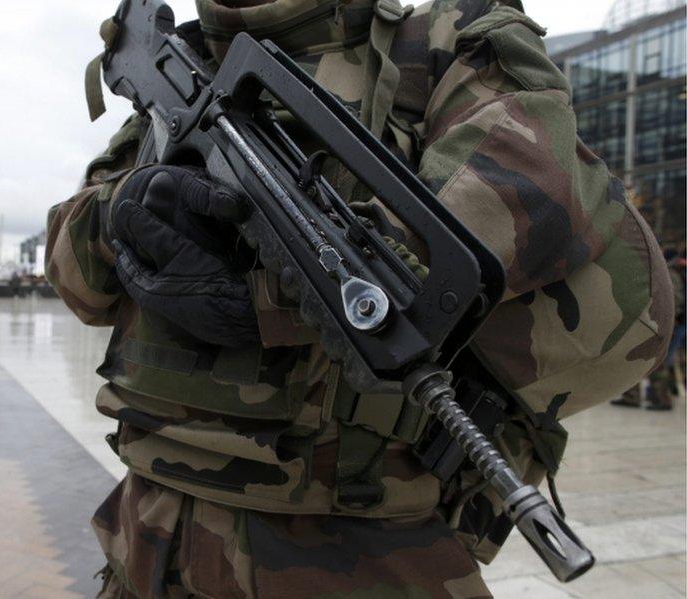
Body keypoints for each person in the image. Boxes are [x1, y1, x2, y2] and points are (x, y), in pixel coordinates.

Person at [47, 1, 674, 596]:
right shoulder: (178, 62)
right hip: (147, 532)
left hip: (356, 548)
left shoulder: (447, 42)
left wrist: (266, 293)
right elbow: (77, 284)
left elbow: (523, 190)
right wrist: (116, 218)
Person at [613, 248, 685, 410]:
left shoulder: (665, 273)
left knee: (654, 361)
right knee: (633, 360)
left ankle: (661, 398)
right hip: (644, 323)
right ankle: (633, 396)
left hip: (655, 323)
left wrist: (667, 321)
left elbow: (673, 300)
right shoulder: (650, 271)